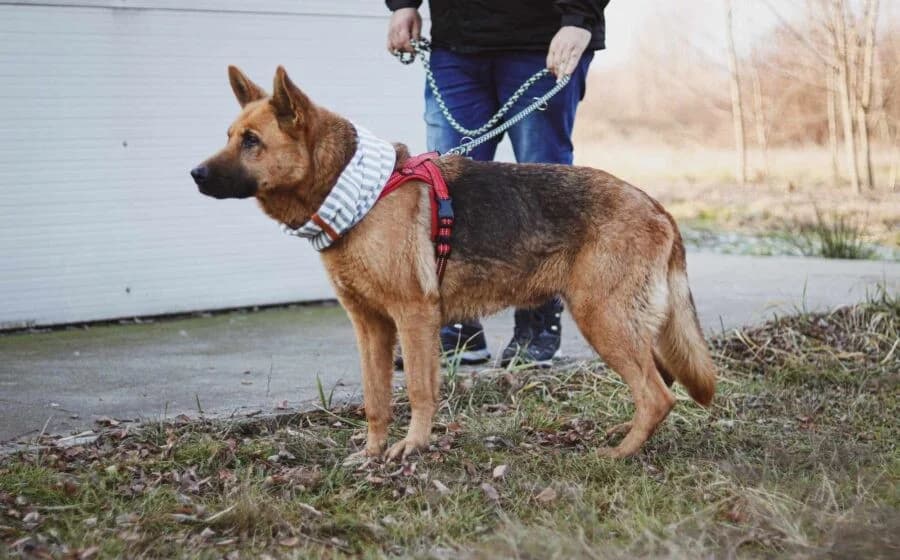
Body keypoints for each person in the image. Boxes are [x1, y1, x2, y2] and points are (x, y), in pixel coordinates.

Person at [386, 0, 610, 367]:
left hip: (542, 39)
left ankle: (538, 322)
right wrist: (403, 4)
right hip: (457, 42)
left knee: (545, 191)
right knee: (446, 189)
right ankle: (457, 326)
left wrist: (579, 18)